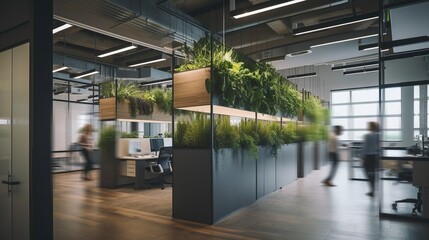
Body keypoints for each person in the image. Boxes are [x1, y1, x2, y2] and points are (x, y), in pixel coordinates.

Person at [362, 121, 380, 197]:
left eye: (368, 125)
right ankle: (373, 189)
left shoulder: (367, 135)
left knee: (367, 172)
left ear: (371, 127)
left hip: (368, 156)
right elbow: (378, 146)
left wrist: (362, 158)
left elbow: (365, 147)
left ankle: (372, 189)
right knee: (372, 172)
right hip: (375, 156)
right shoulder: (378, 135)